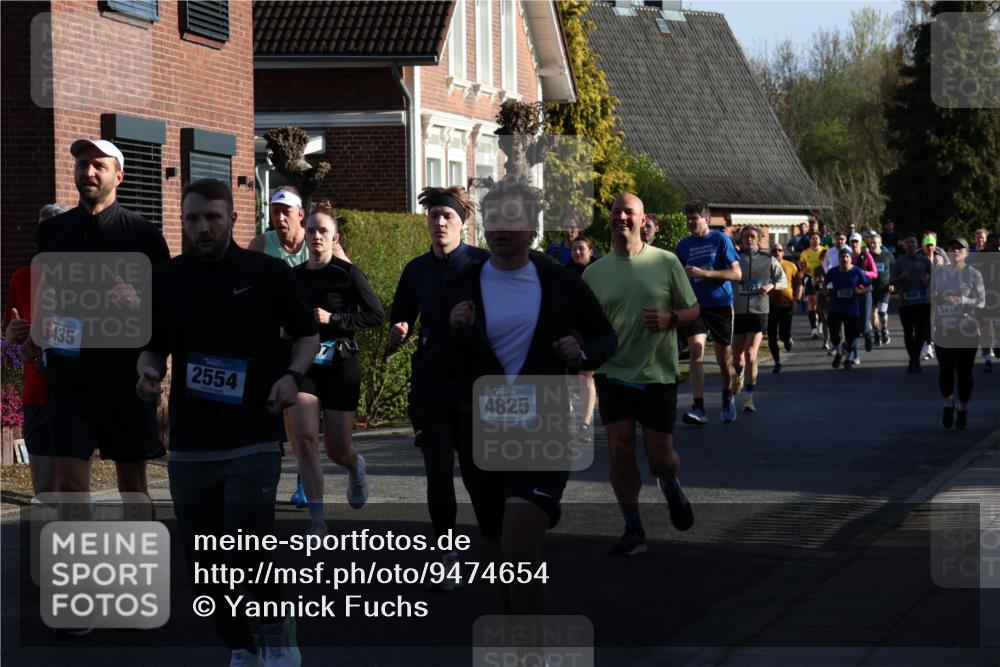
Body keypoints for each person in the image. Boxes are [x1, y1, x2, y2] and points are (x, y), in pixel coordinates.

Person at [138, 179, 318, 665]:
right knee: (204, 565)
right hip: (190, 442)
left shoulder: (267, 273)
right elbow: (152, 346)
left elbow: (307, 334)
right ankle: (241, 646)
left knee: (247, 549)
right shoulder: (166, 279)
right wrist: (148, 371)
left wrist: (291, 376)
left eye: (212, 218)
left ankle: (276, 631)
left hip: (252, 437)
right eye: (192, 219)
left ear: (233, 220)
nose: (202, 227)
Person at [422, 180, 617, 611]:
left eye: (511, 218)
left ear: (532, 227)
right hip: (482, 430)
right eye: (493, 219)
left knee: (520, 548)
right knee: (502, 558)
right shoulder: (461, 286)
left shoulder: (560, 282)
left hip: (544, 425)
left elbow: (605, 338)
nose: (499, 228)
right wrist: (454, 332)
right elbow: (432, 362)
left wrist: (582, 352)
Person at [29, 139, 169, 497]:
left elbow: (167, 308)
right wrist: (34, 334)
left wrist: (138, 303)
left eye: (99, 166)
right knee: (70, 485)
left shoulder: (144, 234)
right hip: (69, 378)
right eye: (82, 164)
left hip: (124, 379)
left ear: (118, 176)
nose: (88, 172)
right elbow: (48, 290)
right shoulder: (52, 231)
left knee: (132, 486)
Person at [583, 192, 698, 555]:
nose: (622, 217)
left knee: (660, 459)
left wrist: (670, 318)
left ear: (642, 219)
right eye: (616, 211)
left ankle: (670, 484)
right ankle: (633, 527)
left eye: (628, 212)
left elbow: (692, 309)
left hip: (656, 372)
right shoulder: (594, 272)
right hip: (612, 371)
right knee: (619, 446)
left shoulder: (665, 262)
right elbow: (584, 323)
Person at [389, 185, 490, 590]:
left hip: (475, 384)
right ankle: (446, 555)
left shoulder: (483, 265)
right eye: (434, 216)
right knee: (438, 471)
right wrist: (399, 330)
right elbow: (402, 316)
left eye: (447, 216)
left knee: (478, 474)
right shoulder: (416, 270)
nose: (440, 222)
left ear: (463, 223)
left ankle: (501, 545)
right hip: (431, 383)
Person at [285, 201, 384, 536]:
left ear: (334, 237)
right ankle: (317, 520)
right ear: (305, 234)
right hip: (304, 365)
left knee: (337, 449)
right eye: (311, 230)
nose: (316, 236)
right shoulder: (293, 277)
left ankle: (355, 466)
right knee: (305, 439)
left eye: (323, 231)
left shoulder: (347, 274)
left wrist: (335, 318)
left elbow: (376, 315)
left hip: (340, 363)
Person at [4, 203, 70, 495]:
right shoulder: (22, 278)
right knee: (44, 491)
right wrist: (13, 333)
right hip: (37, 392)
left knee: (72, 485)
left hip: (75, 393)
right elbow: (10, 329)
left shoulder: (87, 277)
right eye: (42, 228)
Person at [676, 200, 742, 425]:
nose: (690, 222)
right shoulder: (684, 245)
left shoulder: (720, 239)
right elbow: (679, 275)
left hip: (720, 305)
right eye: (688, 218)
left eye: (694, 218)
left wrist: (705, 274)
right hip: (695, 306)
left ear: (706, 218)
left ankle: (727, 395)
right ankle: (699, 407)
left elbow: (736, 274)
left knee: (723, 359)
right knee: (696, 351)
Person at [931, 237, 986, 429]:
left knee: (964, 374)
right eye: (952, 248)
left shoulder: (973, 274)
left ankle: (962, 409)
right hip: (944, 329)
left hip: (967, 330)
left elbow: (982, 301)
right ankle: (948, 405)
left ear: (966, 253)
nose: (955, 251)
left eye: (959, 249)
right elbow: (931, 298)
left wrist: (963, 300)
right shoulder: (938, 273)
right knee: (946, 372)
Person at [731, 227, 785, 411]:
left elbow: (783, 280)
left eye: (753, 236)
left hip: (759, 311)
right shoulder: (734, 258)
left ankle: (749, 397)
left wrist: (771, 286)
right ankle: (739, 373)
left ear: (759, 239)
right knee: (737, 358)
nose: (749, 240)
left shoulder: (768, 259)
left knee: (751, 354)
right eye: (746, 237)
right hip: (738, 311)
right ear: (741, 239)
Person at [892, 234, 933, 373]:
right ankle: (914, 360)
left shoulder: (924, 260)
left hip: (921, 302)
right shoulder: (899, 262)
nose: (910, 244)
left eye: (912, 242)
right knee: (908, 332)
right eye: (907, 242)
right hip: (905, 303)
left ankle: (914, 360)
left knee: (921, 332)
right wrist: (900, 278)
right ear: (904, 245)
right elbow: (892, 281)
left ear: (917, 245)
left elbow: (936, 277)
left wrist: (928, 281)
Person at [826, 248, 870, 370]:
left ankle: (848, 359)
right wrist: (827, 294)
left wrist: (860, 291)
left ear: (851, 258)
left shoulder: (857, 271)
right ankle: (839, 352)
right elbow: (825, 283)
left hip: (852, 307)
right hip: (837, 306)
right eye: (842, 257)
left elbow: (869, 286)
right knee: (834, 331)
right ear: (839, 259)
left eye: (847, 256)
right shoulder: (833, 272)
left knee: (853, 334)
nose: (844, 259)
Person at [767, 242, 800, 373]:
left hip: (786, 306)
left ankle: (787, 340)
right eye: (774, 250)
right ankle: (777, 362)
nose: (777, 252)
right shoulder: (765, 266)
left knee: (783, 335)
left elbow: (799, 284)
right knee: (771, 336)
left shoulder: (791, 266)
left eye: (779, 250)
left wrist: (797, 299)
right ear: (771, 252)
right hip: (769, 306)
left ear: (783, 252)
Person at [849, 233, 878, 360]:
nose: (854, 244)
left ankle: (867, 335)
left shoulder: (866, 256)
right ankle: (855, 355)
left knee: (864, 325)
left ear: (860, 243)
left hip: (865, 292)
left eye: (856, 242)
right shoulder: (848, 257)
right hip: (852, 294)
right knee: (854, 326)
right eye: (852, 242)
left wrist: (863, 273)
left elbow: (875, 273)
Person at [866, 232, 895, 346]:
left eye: (874, 242)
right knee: (873, 313)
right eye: (870, 243)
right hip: (871, 289)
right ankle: (876, 333)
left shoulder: (888, 256)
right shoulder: (867, 257)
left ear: (880, 243)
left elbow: (894, 271)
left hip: (884, 288)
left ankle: (884, 329)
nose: (872, 244)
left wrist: (893, 284)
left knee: (882, 312)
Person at [798, 232, 826, 340]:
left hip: (821, 278)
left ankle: (820, 324)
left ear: (820, 240)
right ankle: (813, 329)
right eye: (813, 238)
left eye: (816, 238)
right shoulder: (805, 252)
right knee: (811, 303)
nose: (815, 240)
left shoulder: (824, 251)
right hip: (810, 278)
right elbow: (801, 263)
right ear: (810, 241)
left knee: (820, 305)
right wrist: (803, 269)